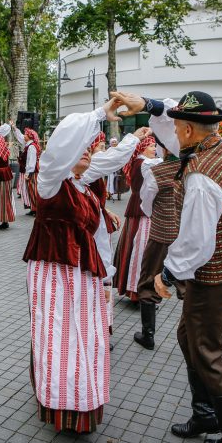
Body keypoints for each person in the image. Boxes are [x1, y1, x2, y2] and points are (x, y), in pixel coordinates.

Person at [112, 91, 222, 443]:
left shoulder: (202, 175)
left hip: (213, 276)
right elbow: (173, 132)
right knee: (186, 337)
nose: (172, 133)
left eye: (178, 126)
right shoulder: (220, 148)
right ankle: (205, 414)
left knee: (207, 352)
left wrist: (168, 275)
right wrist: (149, 105)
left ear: (190, 130)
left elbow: (195, 243)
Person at [23, 99, 151, 433]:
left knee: (81, 337)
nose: (86, 152)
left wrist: (133, 139)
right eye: (80, 148)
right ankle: (60, 403)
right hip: (55, 270)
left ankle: (79, 397)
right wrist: (97, 115)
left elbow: (109, 160)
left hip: (81, 271)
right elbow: (57, 152)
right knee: (59, 334)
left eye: (88, 149)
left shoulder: (80, 183)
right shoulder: (51, 180)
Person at [122, 97, 182, 350]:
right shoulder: (191, 166)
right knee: (187, 281)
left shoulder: (155, 172)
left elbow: (147, 204)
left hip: (160, 230)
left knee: (148, 280)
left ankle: (148, 335)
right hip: (184, 232)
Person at [83, 129, 141, 348]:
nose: (103, 147)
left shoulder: (90, 166)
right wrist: (135, 137)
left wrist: (104, 211)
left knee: (101, 275)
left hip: (97, 222)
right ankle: (98, 332)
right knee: (99, 276)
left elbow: (91, 197)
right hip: (91, 231)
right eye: (100, 144)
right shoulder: (93, 162)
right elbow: (115, 159)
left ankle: (100, 331)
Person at [112, 135, 159, 303]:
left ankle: (132, 288)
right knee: (140, 249)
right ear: (142, 148)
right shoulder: (143, 163)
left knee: (134, 246)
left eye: (155, 146)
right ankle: (136, 290)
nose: (155, 149)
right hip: (142, 210)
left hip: (137, 208)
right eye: (152, 146)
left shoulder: (140, 162)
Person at [11, 123, 41, 215]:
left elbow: (31, 161)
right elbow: (20, 136)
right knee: (31, 191)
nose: (24, 135)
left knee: (34, 190)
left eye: (26, 134)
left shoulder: (31, 147)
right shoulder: (29, 144)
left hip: (32, 172)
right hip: (31, 171)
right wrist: (14, 128)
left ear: (29, 136)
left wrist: (29, 173)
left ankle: (37, 210)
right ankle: (33, 208)